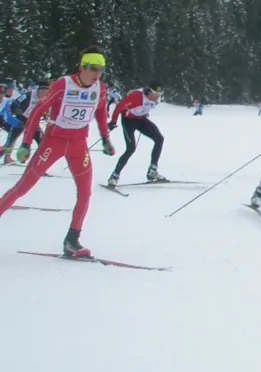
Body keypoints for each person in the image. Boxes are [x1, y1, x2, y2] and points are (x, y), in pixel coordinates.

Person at [0, 47, 115, 258]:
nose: (96, 74)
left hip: (79, 144)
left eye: (101, 69)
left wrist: (106, 138)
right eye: (92, 68)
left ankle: (72, 241)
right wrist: (26, 143)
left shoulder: (101, 88)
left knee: (85, 193)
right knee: (21, 188)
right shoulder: (64, 83)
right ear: (82, 67)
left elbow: (100, 112)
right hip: (54, 142)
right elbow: (37, 111)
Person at [107, 80, 166, 186]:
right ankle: (114, 176)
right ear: (149, 91)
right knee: (130, 149)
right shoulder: (136, 96)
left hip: (141, 120)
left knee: (159, 139)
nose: (158, 96)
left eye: (160, 94)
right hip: (128, 121)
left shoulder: (157, 99)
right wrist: (113, 121)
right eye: (156, 94)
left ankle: (152, 171)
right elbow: (119, 106)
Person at [2, 80, 49, 162]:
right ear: (39, 90)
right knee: (11, 141)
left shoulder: (47, 97)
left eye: (46, 93)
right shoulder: (28, 95)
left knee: (42, 142)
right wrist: (18, 114)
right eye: (43, 92)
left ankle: (38, 163)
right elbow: (14, 105)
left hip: (33, 121)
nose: (44, 95)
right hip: (21, 119)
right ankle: (7, 157)